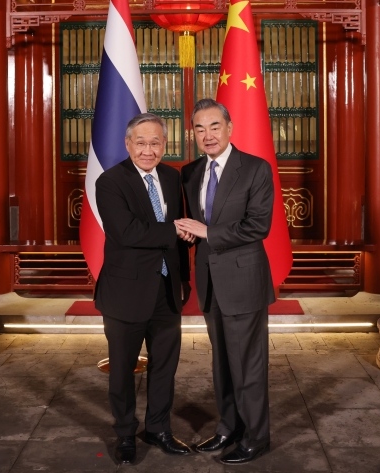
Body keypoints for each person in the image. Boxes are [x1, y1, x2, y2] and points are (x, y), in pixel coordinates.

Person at [175, 98, 276, 465]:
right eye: (200, 128)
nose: (208, 135)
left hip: (243, 281)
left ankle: (255, 437)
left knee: (248, 365)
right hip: (210, 280)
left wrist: (208, 232)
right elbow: (199, 223)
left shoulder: (255, 169)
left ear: (229, 128)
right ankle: (228, 427)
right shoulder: (190, 173)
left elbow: (258, 226)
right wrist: (191, 234)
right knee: (222, 363)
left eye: (214, 126)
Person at [95, 113, 193, 465]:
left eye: (155, 143)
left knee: (164, 367)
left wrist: (183, 280)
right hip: (125, 295)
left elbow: (178, 239)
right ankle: (125, 434)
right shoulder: (110, 181)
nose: (148, 150)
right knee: (122, 371)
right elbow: (126, 232)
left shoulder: (171, 177)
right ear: (128, 144)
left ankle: (158, 429)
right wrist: (176, 229)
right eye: (141, 143)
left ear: (165, 145)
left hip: (166, 291)